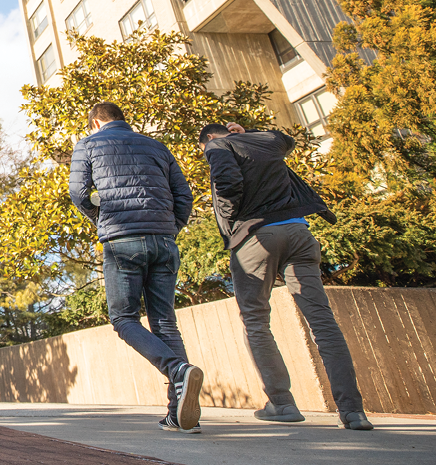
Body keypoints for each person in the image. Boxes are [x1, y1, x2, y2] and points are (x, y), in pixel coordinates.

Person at [199, 122, 373, 431]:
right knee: (322, 321)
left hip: (256, 236)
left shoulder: (217, 145)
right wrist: (249, 132)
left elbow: (226, 181)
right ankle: (352, 411)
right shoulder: (266, 142)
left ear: (209, 140)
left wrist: (231, 218)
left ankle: (282, 403)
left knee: (255, 320)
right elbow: (286, 140)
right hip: (298, 233)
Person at [71, 102, 204, 433]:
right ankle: (179, 414)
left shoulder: (89, 144)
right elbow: (184, 196)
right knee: (165, 322)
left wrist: (100, 218)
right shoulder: (157, 146)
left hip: (122, 241)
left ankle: (176, 369)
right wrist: (170, 228)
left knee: (123, 318)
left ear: (96, 122)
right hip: (164, 240)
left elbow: (78, 193)